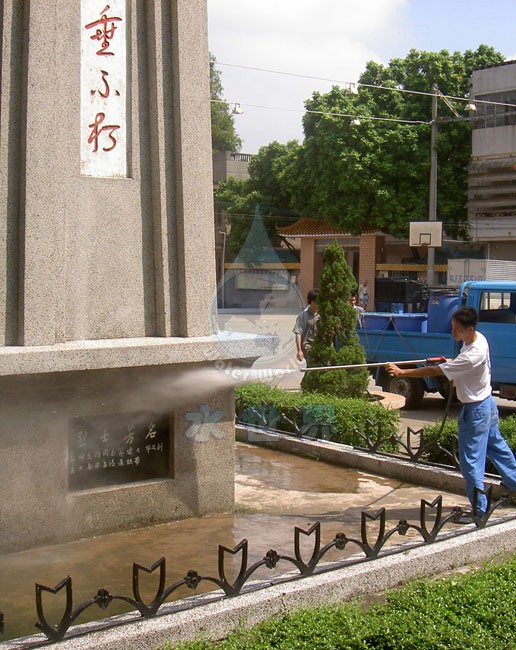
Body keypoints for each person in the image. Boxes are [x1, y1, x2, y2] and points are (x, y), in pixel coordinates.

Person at [385, 306, 516, 522]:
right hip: (487, 405)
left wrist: (403, 371)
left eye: (457, 329)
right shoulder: (478, 339)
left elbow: (435, 372)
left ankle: (479, 512)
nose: (453, 332)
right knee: (497, 448)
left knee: (471, 462)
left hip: (476, 411)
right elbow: (451, 366)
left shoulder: (472, 355)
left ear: (470, 328)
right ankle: (514, 483)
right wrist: (449, 363)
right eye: (453, 328)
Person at [293, 288, 320, 363]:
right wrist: (299, 350)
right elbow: (298, 333)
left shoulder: (322, 314)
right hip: (308, 346)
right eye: (317, 301)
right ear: (311, 301)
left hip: (320, 345)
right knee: (313, 366)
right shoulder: (303, 316)